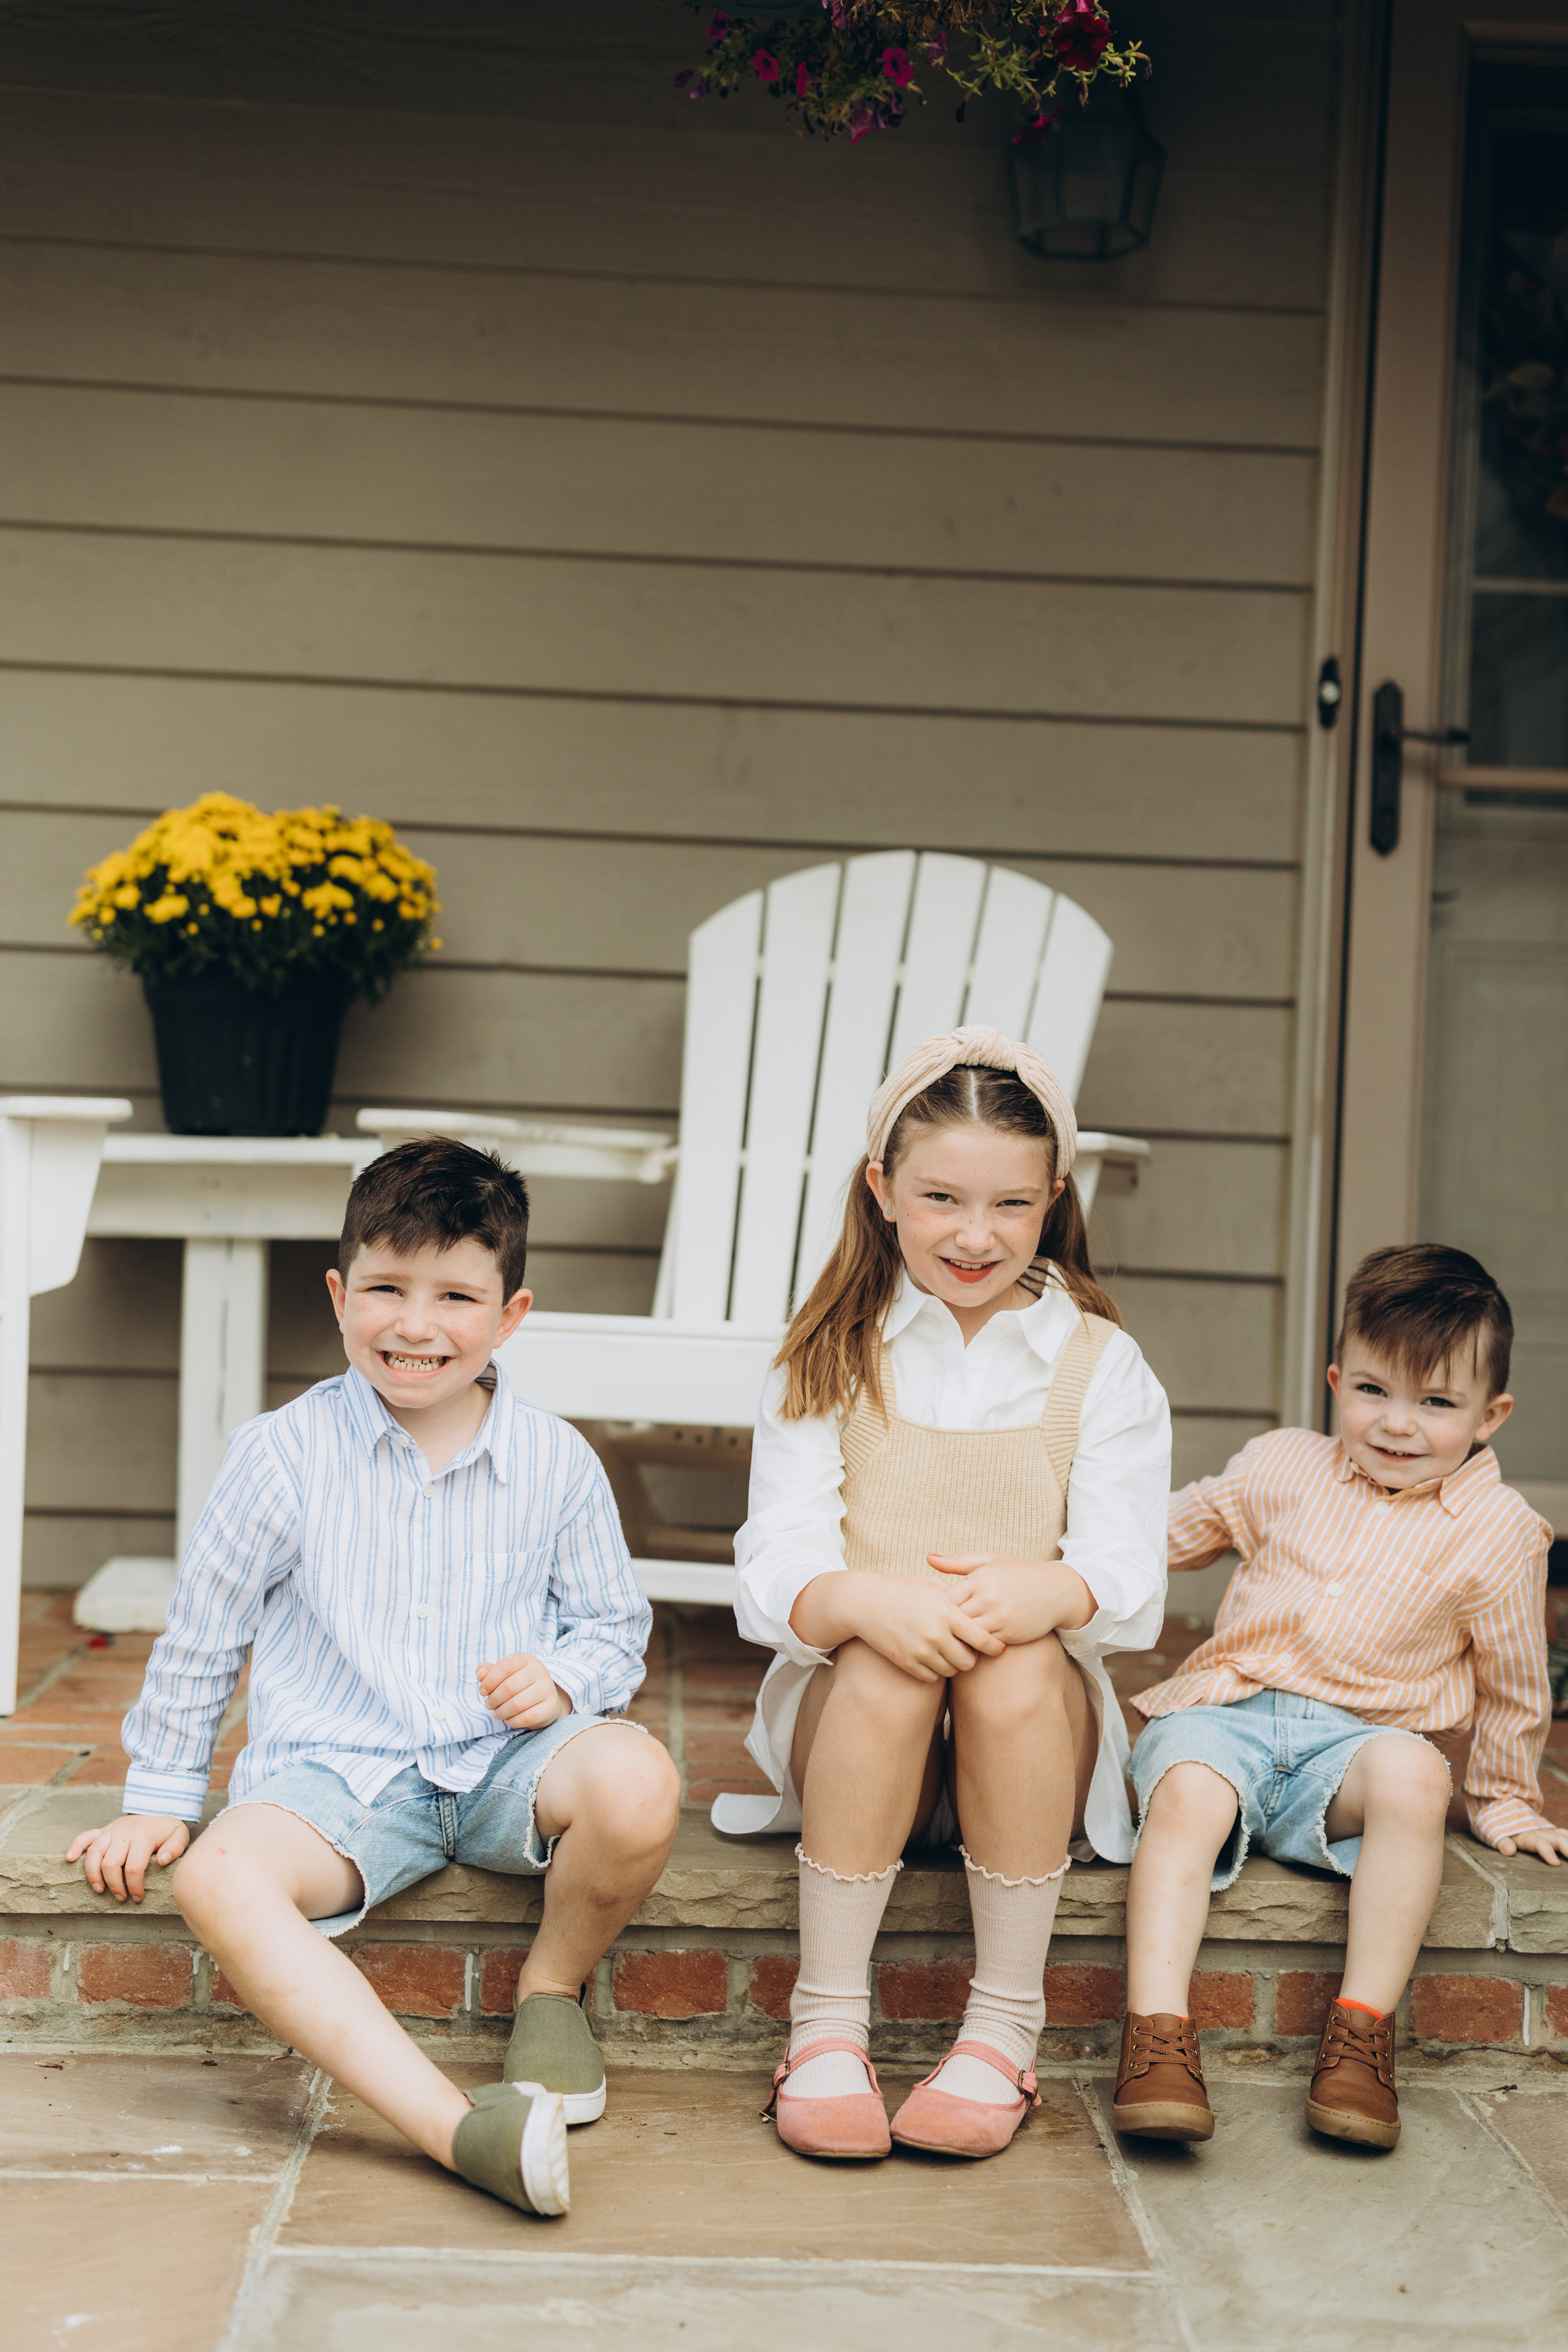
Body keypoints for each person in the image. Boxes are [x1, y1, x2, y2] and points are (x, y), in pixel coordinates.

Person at [66, 1137, 681, 2218]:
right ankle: (456, 2130)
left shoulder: (556, 1461)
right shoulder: (281, 1454)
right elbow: (205, 1632)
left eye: (456, 1296)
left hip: (507, 1764)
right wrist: (159, 1795)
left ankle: (550, 1989)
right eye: (387, 1288)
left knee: (639, 1777)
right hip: (337, 1778)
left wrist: (561, 1678)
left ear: (510, 1315)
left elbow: (613, 1629)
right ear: (339, 1295)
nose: (416, 1324)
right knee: (217, 1877)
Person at [718, 1025, 1170, 2161]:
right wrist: (864, 1604)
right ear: (881, 1191)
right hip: (865, 1748)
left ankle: (1003, 2029)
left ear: (1054, 1200)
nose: (976, 1236)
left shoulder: (1100, 1364)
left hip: (1027, 1756)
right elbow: (774, 1566)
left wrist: (1049, 1590)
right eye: (941, 1199)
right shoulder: (830, 1352)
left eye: (1012, 1205)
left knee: (1016, 1664)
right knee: (880, 1661)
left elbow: (1130, 1576)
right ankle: (826, 2024)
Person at [1117, 1243, 1565, 2154]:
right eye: (1372, 1390)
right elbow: (1160, 1536)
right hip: (1229, 1718)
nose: (1397, 1424)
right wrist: (1062, 1562)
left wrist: (1506, 1800)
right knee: (1188, 1791)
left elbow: (1513, 1683)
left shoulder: (1500, 1533)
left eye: (1436, 1402)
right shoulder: (1282, 1465)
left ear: (1491, 1415)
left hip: (1354, 1752)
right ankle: (1156, 2035)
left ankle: (1360, 2038)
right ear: (1335, 1383)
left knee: (1416, 1778)